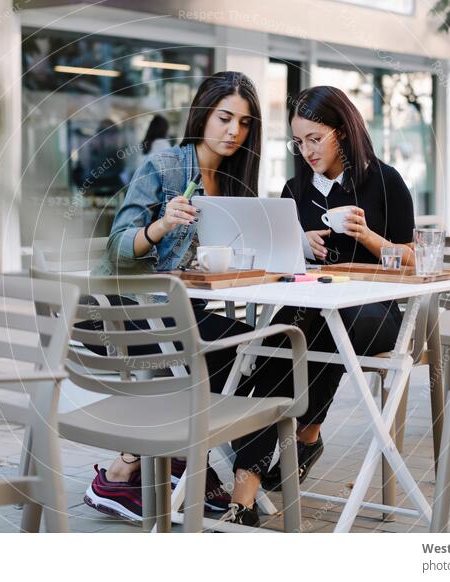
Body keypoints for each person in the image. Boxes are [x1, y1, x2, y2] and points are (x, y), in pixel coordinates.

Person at [84, 71, 268, 526]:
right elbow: (118, 245)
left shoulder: (235, 183)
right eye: (225, 118)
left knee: (265, 351)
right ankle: (143, 465)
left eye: (244, 124)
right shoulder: (165, 167)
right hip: (122, 313)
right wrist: (162, 226)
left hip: (177, 316)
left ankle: (181, 468)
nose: (233, 132)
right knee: (217, 357)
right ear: (203, 114)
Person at [231, 85, 416, 511]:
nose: (307, 150)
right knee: (298, 327)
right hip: (313, 309)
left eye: (315, 138)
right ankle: (250, 483)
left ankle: (295, 431)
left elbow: (412, 259)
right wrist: (300, 245)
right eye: (299, 142)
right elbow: (280, 257)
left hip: (376, 312)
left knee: (308, 325)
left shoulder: (384, 182)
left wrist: (367, 236)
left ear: (344, 132)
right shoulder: (295, 189)